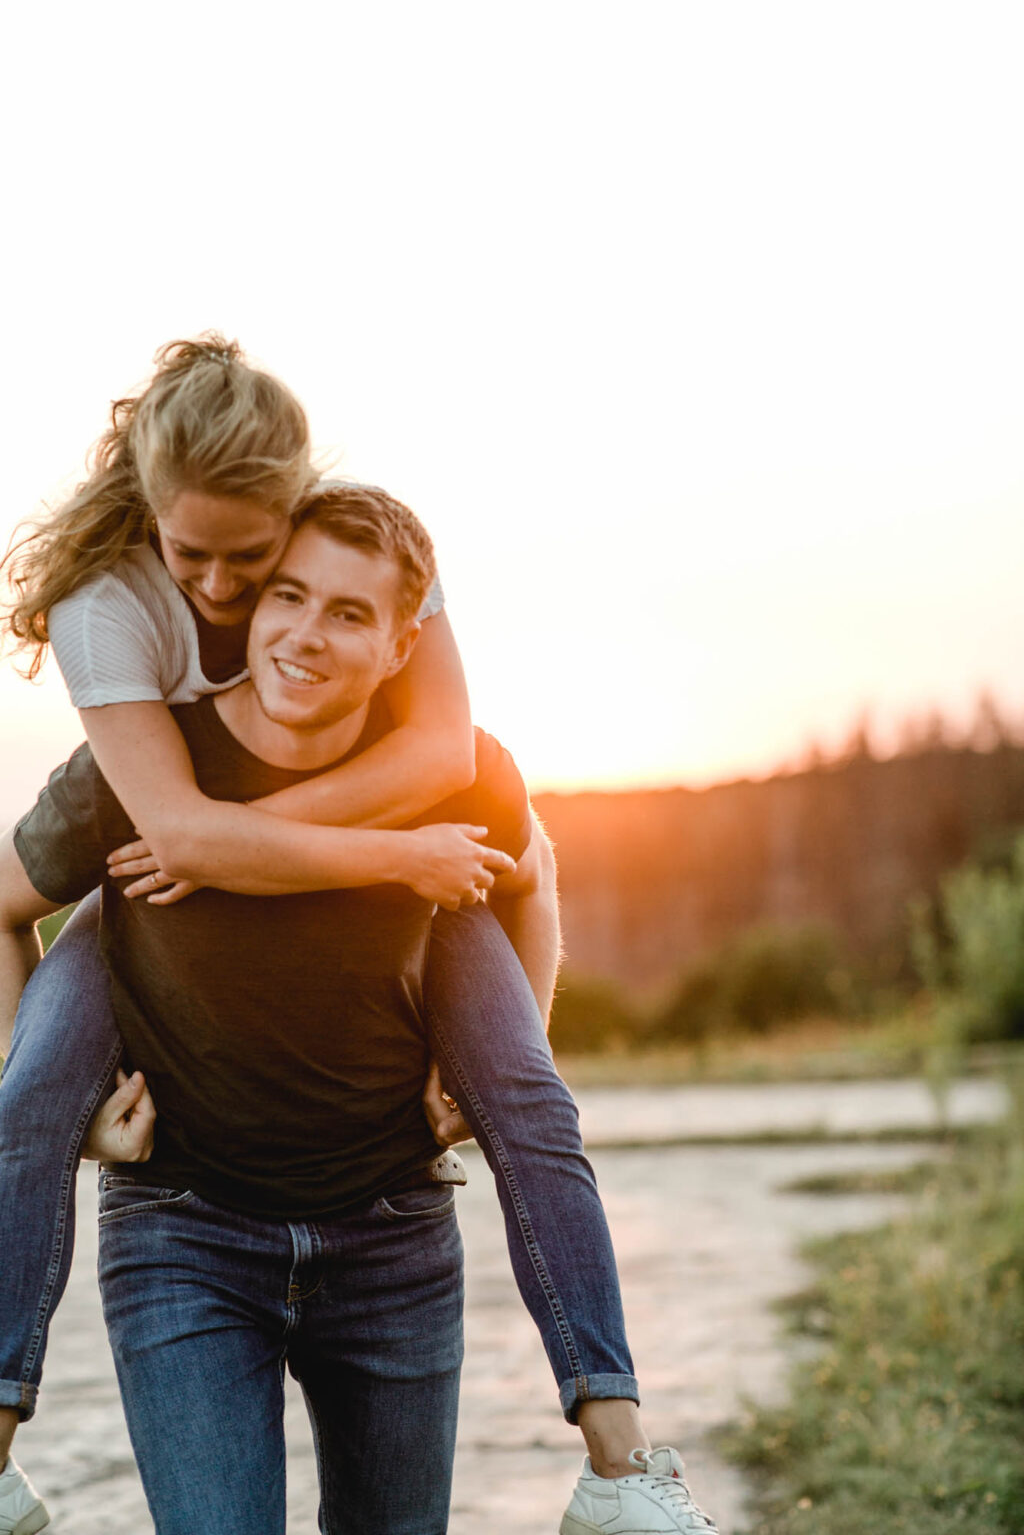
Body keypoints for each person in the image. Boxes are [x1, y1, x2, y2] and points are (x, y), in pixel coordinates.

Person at [0, 342, 717, 1534]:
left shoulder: (363, 559)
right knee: (25, 1093)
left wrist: (468, 1054)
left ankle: (621, 1465)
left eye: (263, 564)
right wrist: (366, 852)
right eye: (207, 563)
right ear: (153, 518)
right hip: (187, 1192)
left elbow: (477, 807)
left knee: (531, 1099)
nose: (233, 594)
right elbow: (171, 831)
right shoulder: (110, 631)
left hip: (384, 1224)